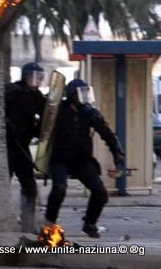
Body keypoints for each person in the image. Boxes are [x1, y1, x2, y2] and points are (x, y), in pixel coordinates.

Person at [45, 79, 125, 238]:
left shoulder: (90, 114)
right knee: (59, 189)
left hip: (81, 160)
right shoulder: (59, 111)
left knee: (100, 192)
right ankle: (49, 224)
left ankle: (90, 224)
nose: (85, 98)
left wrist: (117, 152)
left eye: (86, 94)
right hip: (60, 158)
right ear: (72, 96)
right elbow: (43, 119)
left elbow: (107, 133)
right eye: (81, 94)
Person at [5, 62, 46, 233]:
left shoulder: (36, 96)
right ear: (25, 77)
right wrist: (9, 125)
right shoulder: (13, 91)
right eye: (34, 77)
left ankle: (27, 224)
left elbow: (46, 114)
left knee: (29, 185)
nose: (36, 81)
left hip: (22, 145)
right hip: (8, 145)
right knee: (2, 183)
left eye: (40, 78)